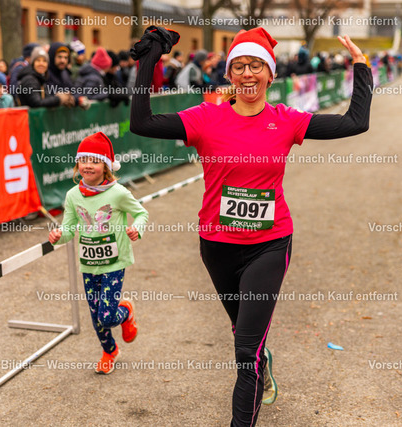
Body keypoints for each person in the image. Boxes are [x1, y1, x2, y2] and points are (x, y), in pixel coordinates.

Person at [130, 26, 371, 426]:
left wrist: (360, 66)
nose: (247, 73)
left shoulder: (286, 120)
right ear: (229, 73)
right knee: (244, 336)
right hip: (217, 246)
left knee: (245, 352)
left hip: (269, 245)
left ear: (271, 75)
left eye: (256, 65)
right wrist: (148, 61)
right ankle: (262, 360)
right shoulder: (206, 118)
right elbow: (142, 123)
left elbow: (354, 122)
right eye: (239, 65)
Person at [48, 132, 149, 374]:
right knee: (96, 317)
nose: (88, 165)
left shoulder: (118, 193)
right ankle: (110, 351)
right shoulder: (73, 196)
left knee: (107, 316)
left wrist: (137, 229)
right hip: (89, 264)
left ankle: (126, 311)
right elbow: (69, 228)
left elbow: (141, 213)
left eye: (94, 161)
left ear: (106, 166)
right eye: (84, 160)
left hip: (114, 263)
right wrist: (59, 235)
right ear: (77, 165)